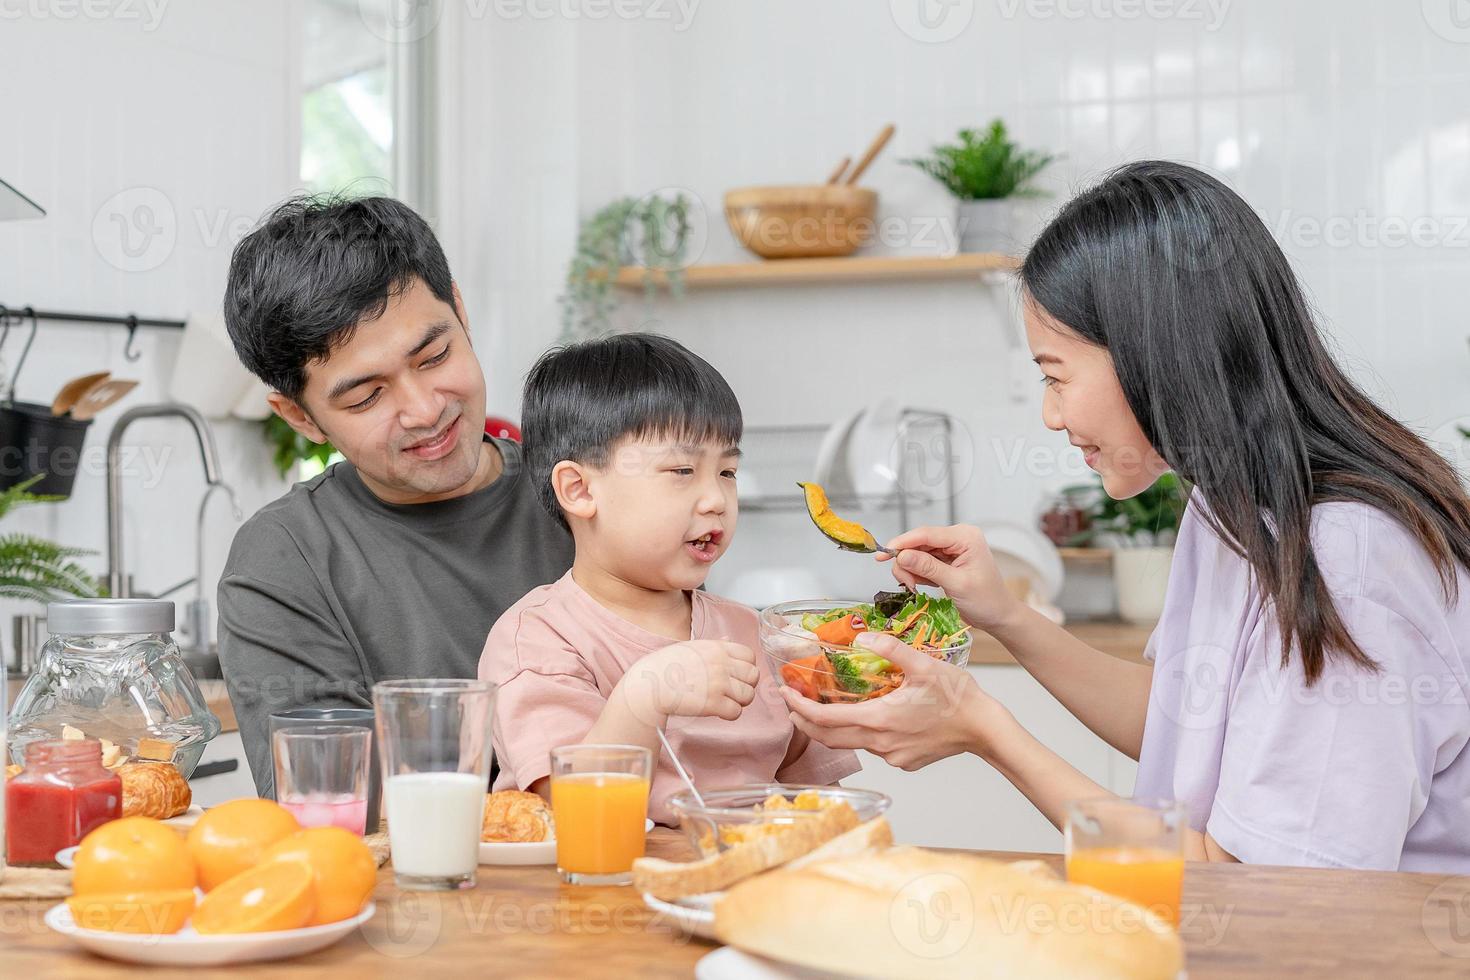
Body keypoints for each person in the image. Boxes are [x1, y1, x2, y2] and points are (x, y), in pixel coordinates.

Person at [785, 161, 1470, 872]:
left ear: (1154, 354)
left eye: (1056, 375)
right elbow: (1183, 722)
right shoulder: (1230, 506)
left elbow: (1265, 890)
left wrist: (984, 730)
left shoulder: (1346, 562)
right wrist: (1006, 617)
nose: (1052, 415)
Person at [218, 195, 573, 796]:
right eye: (365, 397)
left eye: (435, 356)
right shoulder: (284, 562)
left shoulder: (584, 492)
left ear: (459, 309)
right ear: (300, 417)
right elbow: (333, 805)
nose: (425, 410)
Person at [479, 333, 860, 823]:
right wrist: (645, 695)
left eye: (727, 472)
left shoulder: (756, 635)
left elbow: (815, 799)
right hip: (598, 893)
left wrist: (854, 691)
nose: (715, 499)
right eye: (682, 470)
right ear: (578, 489)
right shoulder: (537, 640)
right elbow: (578, 812)